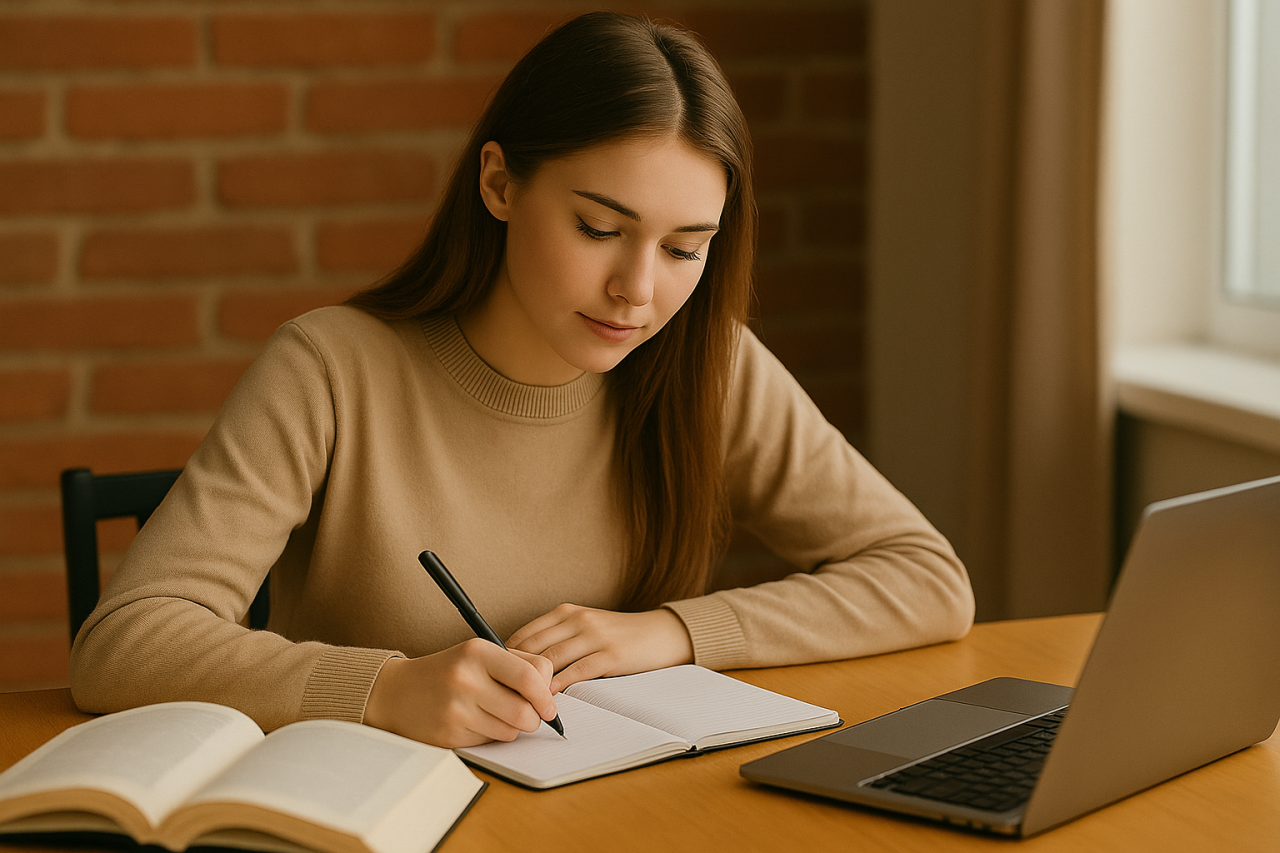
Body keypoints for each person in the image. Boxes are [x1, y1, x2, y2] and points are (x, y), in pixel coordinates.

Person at [69, 12, 974, 748]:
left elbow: (928, 579)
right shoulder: (332, 368)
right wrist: (381, 688)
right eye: (597, 228)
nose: (639, 288)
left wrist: (670, 631)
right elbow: (124, 641)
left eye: (685, 248)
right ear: (499, 184)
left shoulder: (710, 361)